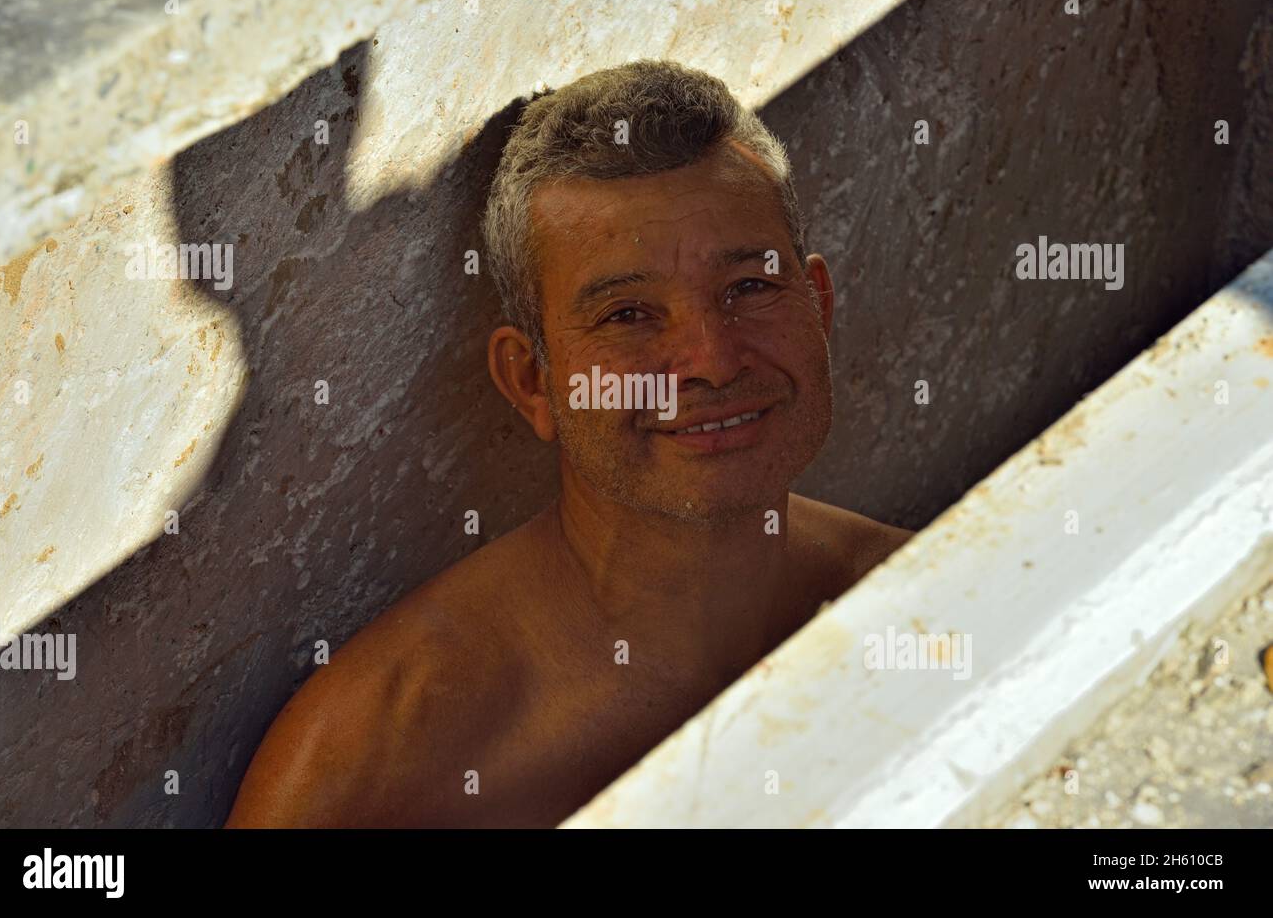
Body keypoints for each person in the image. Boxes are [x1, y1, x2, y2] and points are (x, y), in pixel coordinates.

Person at [226, 60, 913, 828]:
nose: (714, 361)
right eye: (628, 315)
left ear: (816, 304)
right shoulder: (379, 760)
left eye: (749, 288)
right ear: (531, 381)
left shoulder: (932, 607)